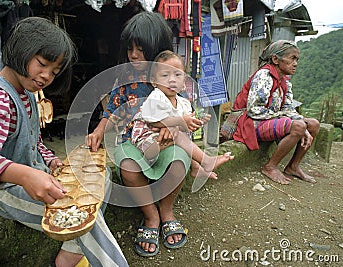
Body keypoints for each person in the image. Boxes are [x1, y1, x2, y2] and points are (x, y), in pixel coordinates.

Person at [0, 17, 128, 267]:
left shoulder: (27, 94)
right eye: (42, 64)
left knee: (98, 181)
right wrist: (23, 175)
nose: (46, 76)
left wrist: (51, 162)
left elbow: (32, 141)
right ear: (21, 50)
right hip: (4, 190)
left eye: (54, 71)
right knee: (77, 215)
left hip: (34, 177)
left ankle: (67, 258)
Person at [86, 11, 231, 258]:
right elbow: (112, 107)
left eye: (141, 49)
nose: (133, 55)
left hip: (167, 139)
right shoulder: (124, 76)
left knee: (179, 161)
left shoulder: (171, 76)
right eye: (130, 48)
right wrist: (99, 129)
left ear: (157, 49)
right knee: (128, 168)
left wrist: (172, 125)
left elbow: (185, 112)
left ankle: (166, 211)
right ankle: (151, 216)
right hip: (134, 138)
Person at [131, 50, 233, 178]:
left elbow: (185, 123)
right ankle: (206, 161)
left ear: (184, 80)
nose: (172, 80)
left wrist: (196, 120)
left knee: (184, 135)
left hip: (163, 141)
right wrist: (181, 121)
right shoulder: (156, 97)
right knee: (179, 135)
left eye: (177, 75)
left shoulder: (183, 102)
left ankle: (195, 167)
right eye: (165, 75)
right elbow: (154, 121)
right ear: (154, 81)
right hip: (147, 143)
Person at [232, 40, 320, 185]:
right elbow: (254, 110)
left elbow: (287, 108)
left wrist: (301, 121)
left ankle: (293, 166)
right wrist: (296, 123)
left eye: (297, 59)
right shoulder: (264, 76)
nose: (296, 63)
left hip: (266, 120)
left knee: (313, 124)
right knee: (298, 126)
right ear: (275, 59)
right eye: (292, 58)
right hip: (249, 122)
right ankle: (270, 167)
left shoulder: (284, 81)